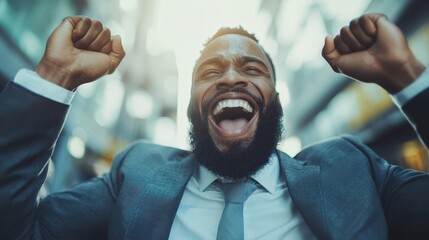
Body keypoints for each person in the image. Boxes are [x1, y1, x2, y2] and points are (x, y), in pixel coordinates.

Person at [1, 13, 429, 239]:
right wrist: (55, 76)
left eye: (251, 68)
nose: (229, 78)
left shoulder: (352, 170)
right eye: (210, 72)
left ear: (275, 101)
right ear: (191, 105)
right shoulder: (136, 174)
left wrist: (406, 75)